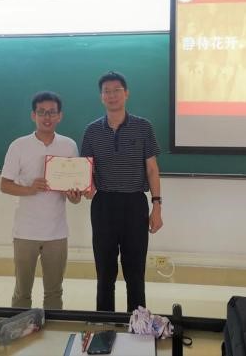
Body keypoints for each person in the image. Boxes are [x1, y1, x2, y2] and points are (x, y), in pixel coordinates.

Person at [80, 71, 163, 312]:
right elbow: (86, 172)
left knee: (135, 271)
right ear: (101, 97)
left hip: (135, 204)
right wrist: (84, 189)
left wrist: (157, 206)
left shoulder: (143, 127)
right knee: (104, 271)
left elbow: (152, 169)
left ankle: (137, 323)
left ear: (126, 93)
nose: (112, 95)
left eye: (117, 90)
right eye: (107, 91)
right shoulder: (92, 131)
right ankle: (104, 322)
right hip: (103, 205)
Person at [0, 91, 82, 310]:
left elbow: (74, 197)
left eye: (52, 112)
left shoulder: (69, 146)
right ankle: (20, 327)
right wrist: (29, 189)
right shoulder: (18, 145)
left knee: (54, 292)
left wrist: (74, 196)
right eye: (42, 112)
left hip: (57, 233)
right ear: (33, 115)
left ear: (60, 116)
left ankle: (53, 330)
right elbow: (4, 185)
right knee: (22, 292)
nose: (47, 117)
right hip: (25, 232)